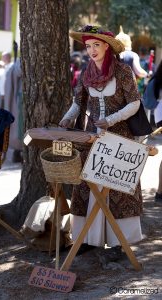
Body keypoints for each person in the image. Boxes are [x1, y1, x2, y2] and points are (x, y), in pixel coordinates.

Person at [59, 25, 144, 256]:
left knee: (118, 188)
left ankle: (119, 243)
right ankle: (86, 238)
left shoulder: (123, 71)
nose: (92, 50)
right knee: (88, 186)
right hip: (92, 138)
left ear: (107, 46)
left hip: (119, 137)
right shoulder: (87, 73)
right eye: (88, 46)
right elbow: (79, 101)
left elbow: (134, 103)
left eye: (96, 45)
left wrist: (112, 119)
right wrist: (67, 119)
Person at [145, 61, 162, 202]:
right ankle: (160, 191)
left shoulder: (156, 80)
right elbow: (149, 103)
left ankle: (160, 191)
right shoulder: (156, 81)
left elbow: (149, 103)